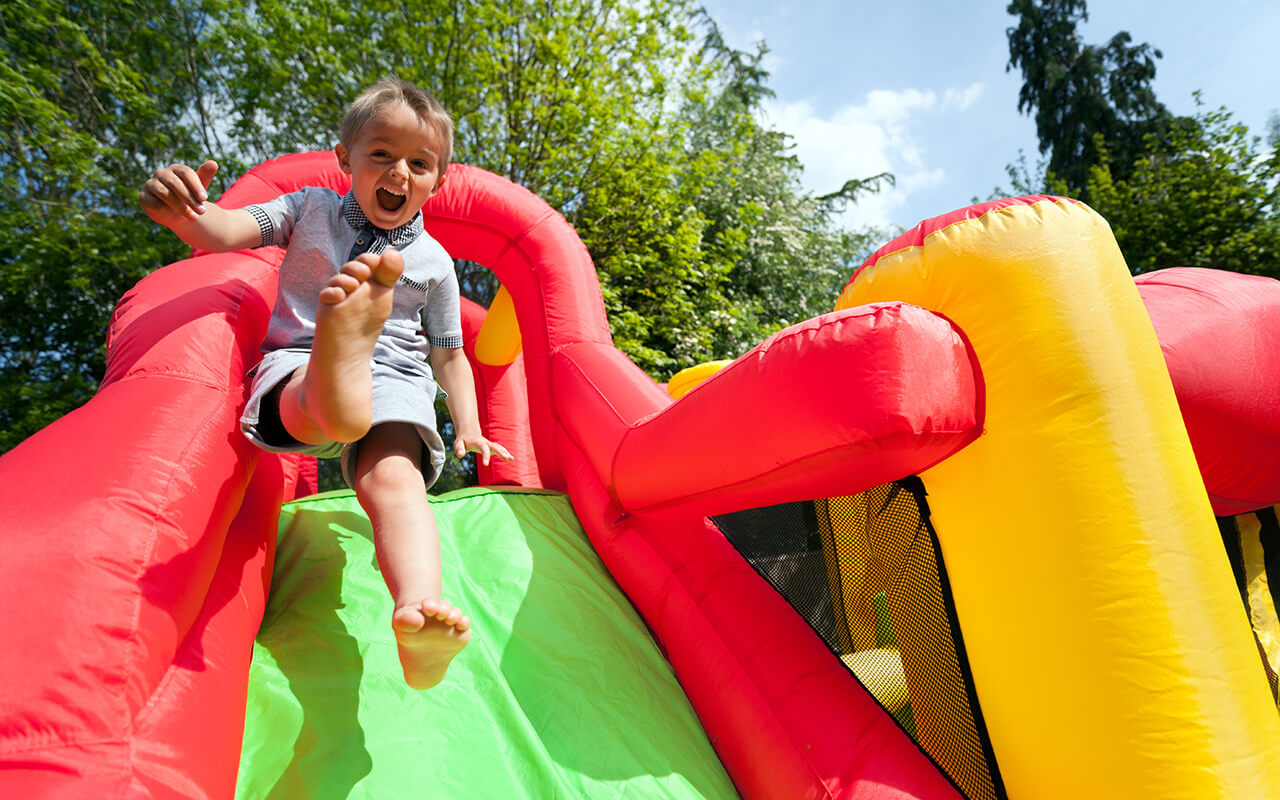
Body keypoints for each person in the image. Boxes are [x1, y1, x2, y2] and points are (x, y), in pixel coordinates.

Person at [139, 77, 511, 689]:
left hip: (392, 374)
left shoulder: (436, 264)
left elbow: (449, 357)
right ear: (345, 158)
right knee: (331, 414)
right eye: (381, 153)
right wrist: (186, 212)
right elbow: (226, 231)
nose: (400, 172)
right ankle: (336, 365)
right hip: (301, 354)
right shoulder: (304, 207)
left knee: (393, 477)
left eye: (419, 162)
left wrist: (470, 425)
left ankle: (416, 608)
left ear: (438, 181)